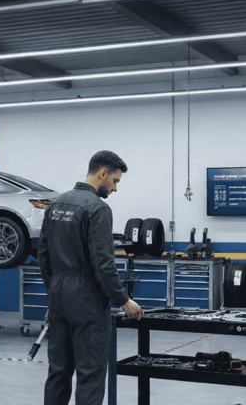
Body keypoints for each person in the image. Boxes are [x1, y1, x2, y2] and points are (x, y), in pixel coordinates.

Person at [38, 150, 145, 405]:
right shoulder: (98, 209)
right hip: (87, 301)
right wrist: (123, 300)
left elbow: (42, 254)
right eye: (115, 181)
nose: (115, 188)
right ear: (103, 173)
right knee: (91, 373)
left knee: (58, 372)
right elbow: (103, 265)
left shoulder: (55, 204)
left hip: (58, 296)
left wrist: (53, 291)